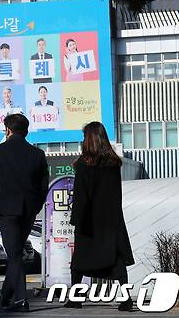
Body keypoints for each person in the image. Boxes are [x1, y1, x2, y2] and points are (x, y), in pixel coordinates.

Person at [65, 122, 134, 312]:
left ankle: (75, 298)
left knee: (79, 261)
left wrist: (76, 220)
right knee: (116, 259)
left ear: (89, 140)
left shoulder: (83, 164)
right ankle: (126, 299)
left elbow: (81, 196)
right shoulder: (113, 164)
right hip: (111, 219)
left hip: (89, 221)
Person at [0, 114, 49, 312]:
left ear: (8, 130)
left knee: (14, 254)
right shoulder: (37, 154)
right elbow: (43, 186)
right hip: (28, 210)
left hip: (6, 210)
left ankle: (20, 298)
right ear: (26, 130)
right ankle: (6, 294)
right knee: (16, 253)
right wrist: (36, 206)